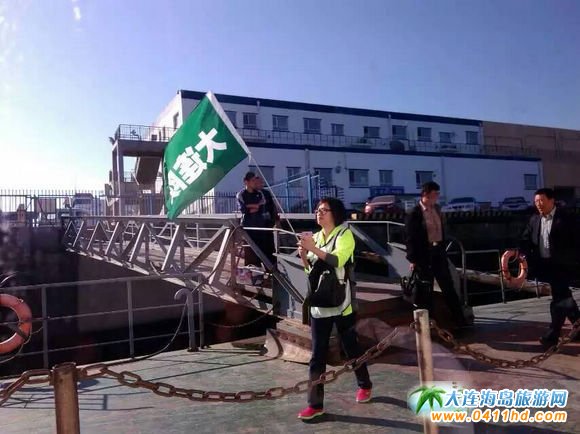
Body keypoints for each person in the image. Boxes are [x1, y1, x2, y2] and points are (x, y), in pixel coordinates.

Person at [297, 197, 372, 420]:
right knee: (317, 354)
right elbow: (310, 271)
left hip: (342, 303)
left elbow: (338, 260)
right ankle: (315, 404)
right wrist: (304, 256)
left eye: (324, 210)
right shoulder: (315, 237)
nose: (319, 213)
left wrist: (313, 249)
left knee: (351, 347)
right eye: (317, 210)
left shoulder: (344, 235)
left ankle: (365, 384)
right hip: (320, 304)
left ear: (335, 214)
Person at [519, 188, 580, 348]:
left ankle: (552, 335)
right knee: (564, 297)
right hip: (546, 265)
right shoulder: (534, 220)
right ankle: (578, 325)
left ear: (552, 201)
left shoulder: (566, 218)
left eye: (542, 201)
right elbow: (526, 240)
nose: (539, 204)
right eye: (536, 202)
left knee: (558, 299)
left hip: (564, 265)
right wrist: (521, 254)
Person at [404, 181, 468, 327]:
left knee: (448, 286)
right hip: (424, 255)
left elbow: (442, 231)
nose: (437, 197)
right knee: (426, 290)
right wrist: (413, 259)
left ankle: (459, 320)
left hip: (438, 252)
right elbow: (410, 237)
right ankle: (429, 323)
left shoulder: (437, 209)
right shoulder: (414, 213)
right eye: (435, 194)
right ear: (426, 194)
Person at [236, 172, 269, 269]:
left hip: (260, 226)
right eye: (253, 180)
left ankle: (262, 273)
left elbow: (262, 207)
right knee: (250, 252)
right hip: (248, 227)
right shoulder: (241, 194)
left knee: (263, 251)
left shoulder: (259, 193)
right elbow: (243, 210)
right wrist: (255, 206)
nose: (255, 182)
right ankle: (251, 273)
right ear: (246, 182)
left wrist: (250, 207)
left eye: (255, 180)